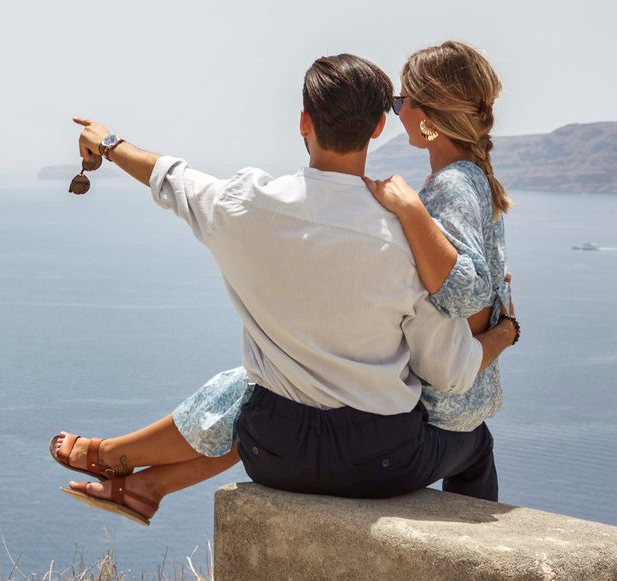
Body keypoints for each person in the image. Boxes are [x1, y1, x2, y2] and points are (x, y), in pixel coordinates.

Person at [51, 49, 519, 525]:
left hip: (273, 454)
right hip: (381, 466)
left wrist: (107, 143)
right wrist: (503, 333)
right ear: (378, 129)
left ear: (304, 122)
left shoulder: (243, 205)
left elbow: (169, 176)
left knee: (249, 387)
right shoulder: (407, 239)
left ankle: (138, 478)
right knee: (475, 442)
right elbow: (450, 373)